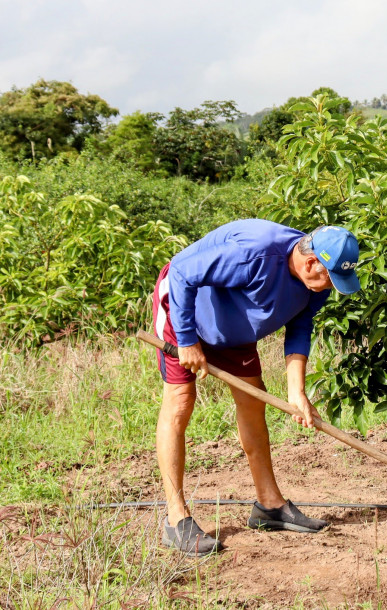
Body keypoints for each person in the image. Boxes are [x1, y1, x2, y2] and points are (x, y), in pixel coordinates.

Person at [150, 219, 360, 556]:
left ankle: (269, 505)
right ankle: (176, 520)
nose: (330, 288)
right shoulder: (255, 255)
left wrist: (297, 393)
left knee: (253, 399)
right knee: (181, 400)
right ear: (310, 262)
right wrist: (188, 341)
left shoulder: (314, 285)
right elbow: (182, 273)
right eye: (330, 279)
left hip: (234, 328)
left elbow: (299, 329)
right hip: (184, 311)